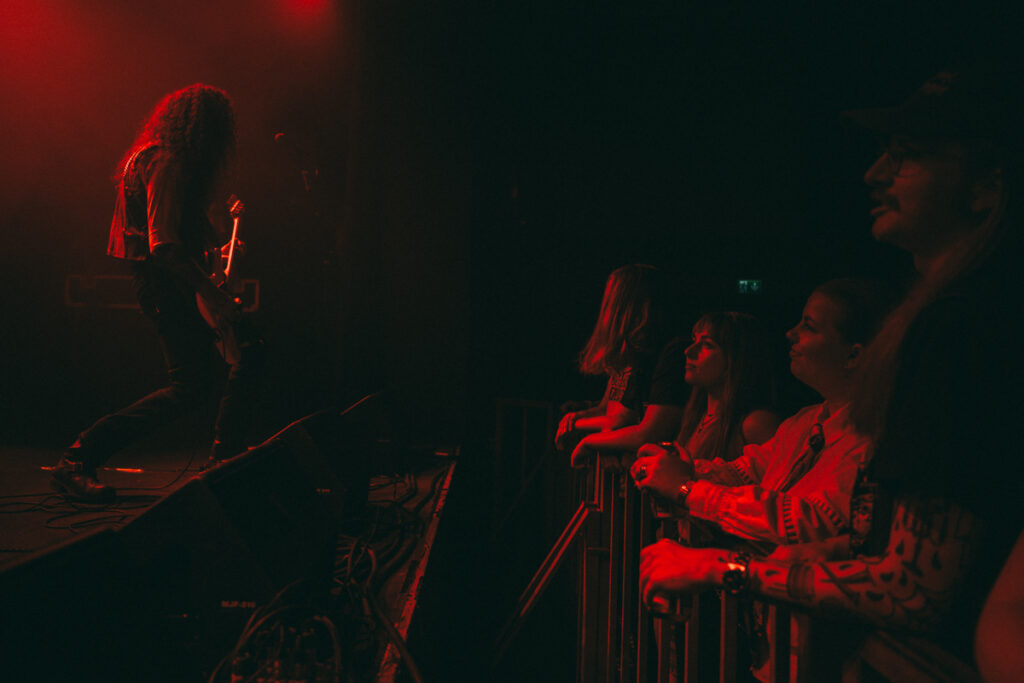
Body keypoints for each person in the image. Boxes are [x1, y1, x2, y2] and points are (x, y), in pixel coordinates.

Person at [639, 62, 1024, 666]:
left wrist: (721, 565)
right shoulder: (968, 317)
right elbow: (879, 536)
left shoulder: (961, 325)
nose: (874, 174)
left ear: (986, 185)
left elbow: (911, 589)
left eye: (908, 155)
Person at [51, 84, 264, 502]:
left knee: (230, 364)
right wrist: (212, 293)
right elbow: (163, 246)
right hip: (167, 285)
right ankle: (78, 457)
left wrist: (218, 249)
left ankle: (224, 459)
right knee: (198, 382)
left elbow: (174, 242)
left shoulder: (153, 158)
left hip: (170, 282)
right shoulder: (167, 163)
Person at [630, 279, 894, 547]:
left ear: (853, 356)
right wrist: (683, 470)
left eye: (809, 326)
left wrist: (687, 489)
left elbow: (810, 521)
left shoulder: (872, 438)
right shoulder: (804, 422)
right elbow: (746, 471)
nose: (791, 333)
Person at [572, 311, 780, 468]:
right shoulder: (697, 415)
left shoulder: (756, 423)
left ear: (737, 359)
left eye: (707, 344)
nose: (689, 351)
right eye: (694, 340)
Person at [555, 264, 686, 460]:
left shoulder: (669, 353)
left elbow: (634, 425)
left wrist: (583, 433)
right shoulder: (632, 354)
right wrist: (578, 417)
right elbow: (609, 409)